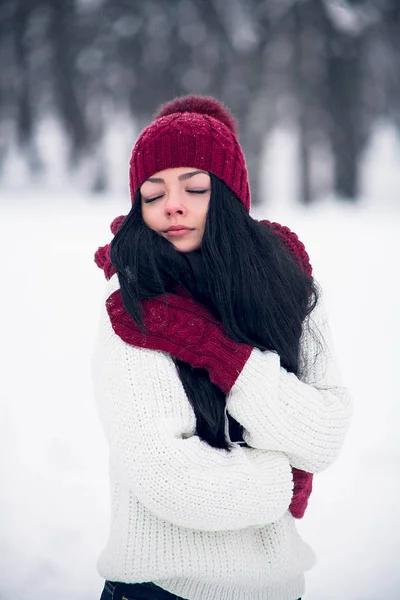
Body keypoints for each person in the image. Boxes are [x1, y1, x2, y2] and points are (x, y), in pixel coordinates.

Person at [92, 94, 352, 600]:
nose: (172, 204)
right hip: (161, 590)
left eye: (194, 187)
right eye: (152, 193)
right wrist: (285, 475)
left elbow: (324, 433)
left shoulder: (289, 287)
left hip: (280, 590)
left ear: (230, 196)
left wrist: (224, 356)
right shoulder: (135, 306)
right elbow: (172, 481)